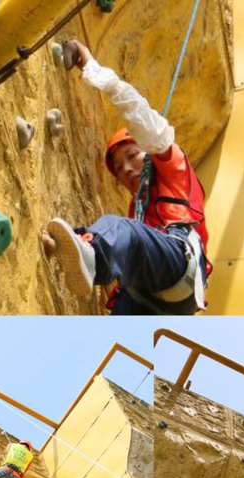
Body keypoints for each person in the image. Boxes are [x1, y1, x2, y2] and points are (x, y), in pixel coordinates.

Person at [41, 39, 210, 315]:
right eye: (118, 168)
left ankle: (93, 256)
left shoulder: (173, 168)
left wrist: (97, 73)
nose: (127, 169)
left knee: (119, 229)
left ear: (148, 152)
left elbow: (144, 120)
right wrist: (63, 242)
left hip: (181, 267)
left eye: (132, 155)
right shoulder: (139, 211)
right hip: (153, 299)